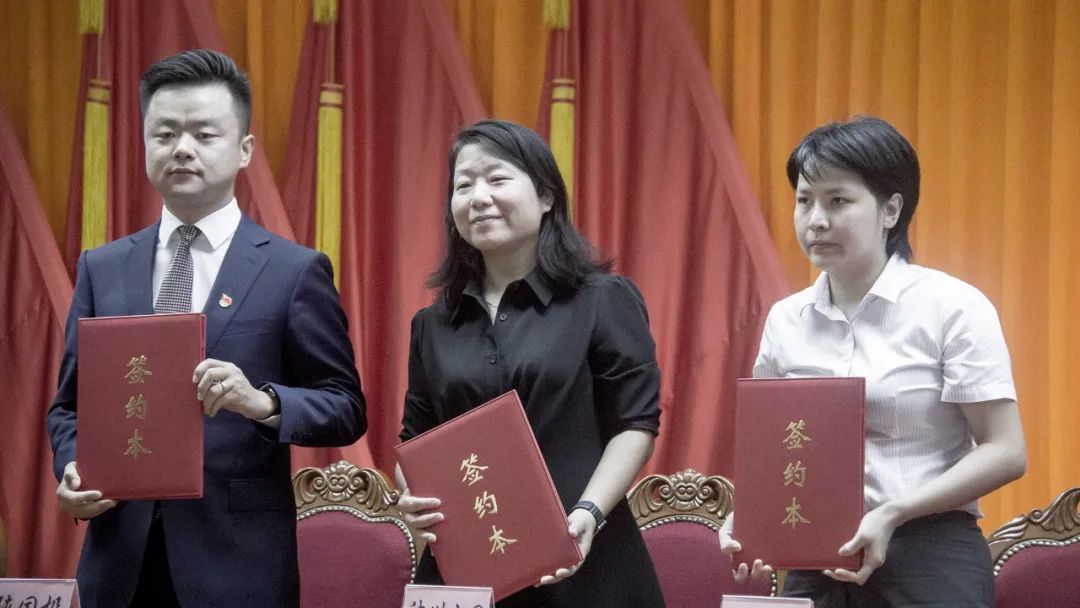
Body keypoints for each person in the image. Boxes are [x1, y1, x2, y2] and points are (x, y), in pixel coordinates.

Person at [46, 49, 366, 608]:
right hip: (119, 564)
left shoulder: (292, 270)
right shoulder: (103, 267)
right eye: (165, 134)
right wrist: (73, 466)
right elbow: (69, 407)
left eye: (203, 134)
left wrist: (261, 402)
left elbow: (344, 407)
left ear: (244, 149)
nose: (182, 148)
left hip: (237, 566)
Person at [719, 116, 1027, 607]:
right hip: (817, 559)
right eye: (804, 200)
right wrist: (750, 519)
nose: (816, 220)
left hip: (930, 554)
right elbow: (773, 450)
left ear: (891, 210)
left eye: (838, 201)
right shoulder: (786, 320)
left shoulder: (952, 307)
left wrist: (892, 513)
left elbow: (1006, 450)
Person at [395, 119, 666, 607]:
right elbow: (415, 440)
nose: (478, 197)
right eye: (463, 185)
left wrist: (589, 510)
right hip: (471, 567)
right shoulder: (432, 325)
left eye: (497, 179)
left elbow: (636, 424)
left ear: (545, 196)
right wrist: (411, 497)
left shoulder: (602, 300)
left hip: (585, 556)